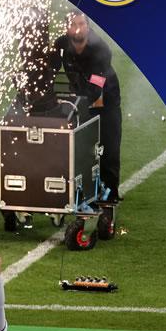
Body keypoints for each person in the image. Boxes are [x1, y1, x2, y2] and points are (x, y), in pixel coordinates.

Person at [51, 11, 122, 201]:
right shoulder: (61, 45)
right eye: (73, 24)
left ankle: (111, 193)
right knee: (80, 147)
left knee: (108, 147)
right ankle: (81, 189)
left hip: (106, 100)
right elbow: (51, 69)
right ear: (66, 28)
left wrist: (81, 102)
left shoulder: (101, 49)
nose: (78, 28)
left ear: (88, 26)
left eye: (81, 24)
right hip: (78, 99)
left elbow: (97, 85)